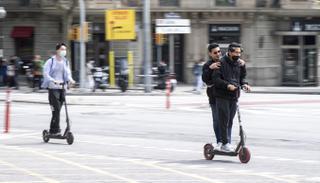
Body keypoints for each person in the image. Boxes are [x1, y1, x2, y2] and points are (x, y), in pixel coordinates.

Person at [212, 42, 251, 152]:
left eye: (239, 53)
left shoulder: (240, 64)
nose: (238, 55)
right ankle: (224, 144)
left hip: (234, 95)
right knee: (224, 120)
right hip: (222, 95)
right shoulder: (220, 62)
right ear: (229, 52)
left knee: (230, 121)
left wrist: (245, 85)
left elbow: (242, 78)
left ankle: (226, 142)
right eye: (236, 53)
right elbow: (216, 79)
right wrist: (227, 85)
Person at [41, 43, 75, 136]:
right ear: (57, 50)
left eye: (65, 49)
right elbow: (46, 74)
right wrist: (53, 80)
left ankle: (53, 129)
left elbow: (68, 74)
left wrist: (71, 80)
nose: (64, 51)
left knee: (57, 111)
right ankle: (56, 130)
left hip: (62, 88)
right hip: (53, 88)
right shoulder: (50, 61)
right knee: (56, 109)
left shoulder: (65, 62)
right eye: (62, 49)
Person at [202, 43, 222, 148]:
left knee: (226, 121)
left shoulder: (224, 62)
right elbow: (205, 80)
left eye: (219, 51)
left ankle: (226, 142)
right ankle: (219, 141)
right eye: (215, 52)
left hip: (225, 96)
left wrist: (240, 63)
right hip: (214, 97)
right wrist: (210, 68)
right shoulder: (207, 65)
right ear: (210, 54)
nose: (218, 54)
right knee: (217, 120)